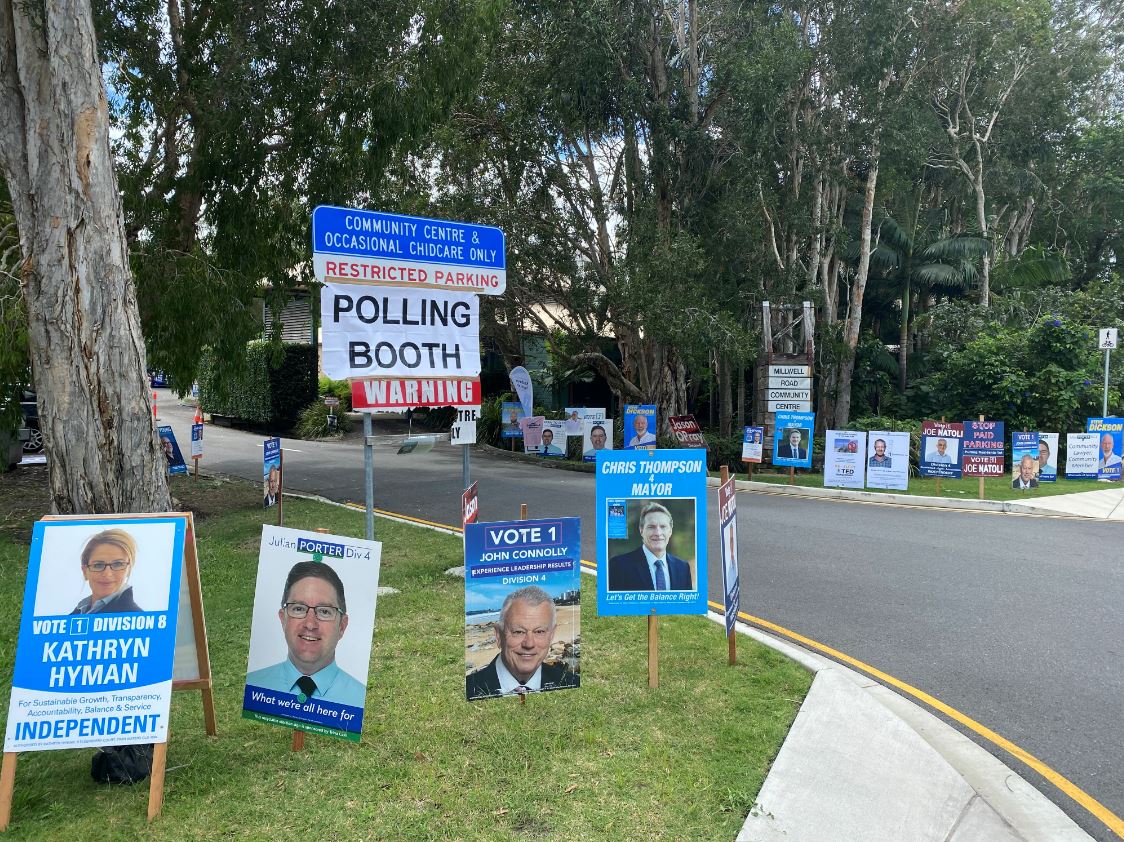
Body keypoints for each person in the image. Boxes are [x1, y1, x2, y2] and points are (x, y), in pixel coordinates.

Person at [245, 561, 366, 707]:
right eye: (298, 609)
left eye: (324, 611)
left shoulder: (357, 699)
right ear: (283, 618)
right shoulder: (256, 686)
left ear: (342, 626)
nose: (310, 624)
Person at [465, 586, 579, 700]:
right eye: (518, 632)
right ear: (498, 636)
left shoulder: (572, 682)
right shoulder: (468, 690)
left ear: (551, 635)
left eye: (539, 631)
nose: (529, 644)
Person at [608, 502, 693, 591]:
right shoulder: (619, 566)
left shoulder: (683, 568)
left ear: (670, 531)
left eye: (663, 527)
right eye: (651, 527)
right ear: (641, 530)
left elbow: (688, 604)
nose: (658, 533)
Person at [71, 529, 142, 614]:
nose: (107, 574)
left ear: (129, 568)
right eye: (98, 565)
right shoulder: (79, 611)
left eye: (117, 564)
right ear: (85, 571)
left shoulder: (135, 618)